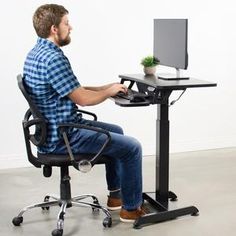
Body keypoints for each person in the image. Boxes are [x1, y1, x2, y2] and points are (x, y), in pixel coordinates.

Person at [23, 4, 145, 223]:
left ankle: (116, 197)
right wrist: (108, 92)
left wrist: (105, 89)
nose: (71, 28)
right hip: (65, 137)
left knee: (117, 131)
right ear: (54, 28)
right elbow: (82, 99)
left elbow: (71, 90)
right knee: (132, 147)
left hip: (50, 131)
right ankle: (131, 209)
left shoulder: (36, 53)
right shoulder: (54, 59)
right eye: (66, 23)